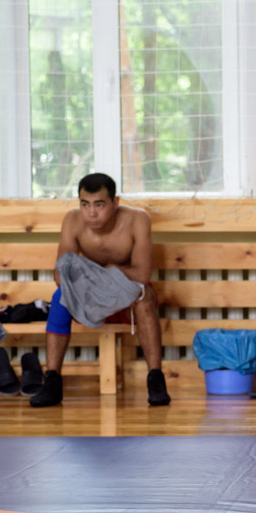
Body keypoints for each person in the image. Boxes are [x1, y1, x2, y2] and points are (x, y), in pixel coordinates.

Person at [33, 173, 170, 408]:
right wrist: (105, 273)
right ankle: (52, 381)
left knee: (145, 297)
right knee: (60, 298)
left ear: (115, 203)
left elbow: (142, 274)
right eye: (85, 204)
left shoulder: (137, 219)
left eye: (99, 205)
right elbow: (60, 276)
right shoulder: (72, 221)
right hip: (91, 296)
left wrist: (98, 271)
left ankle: (156, 379)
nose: (92, 213)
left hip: (127, 297)